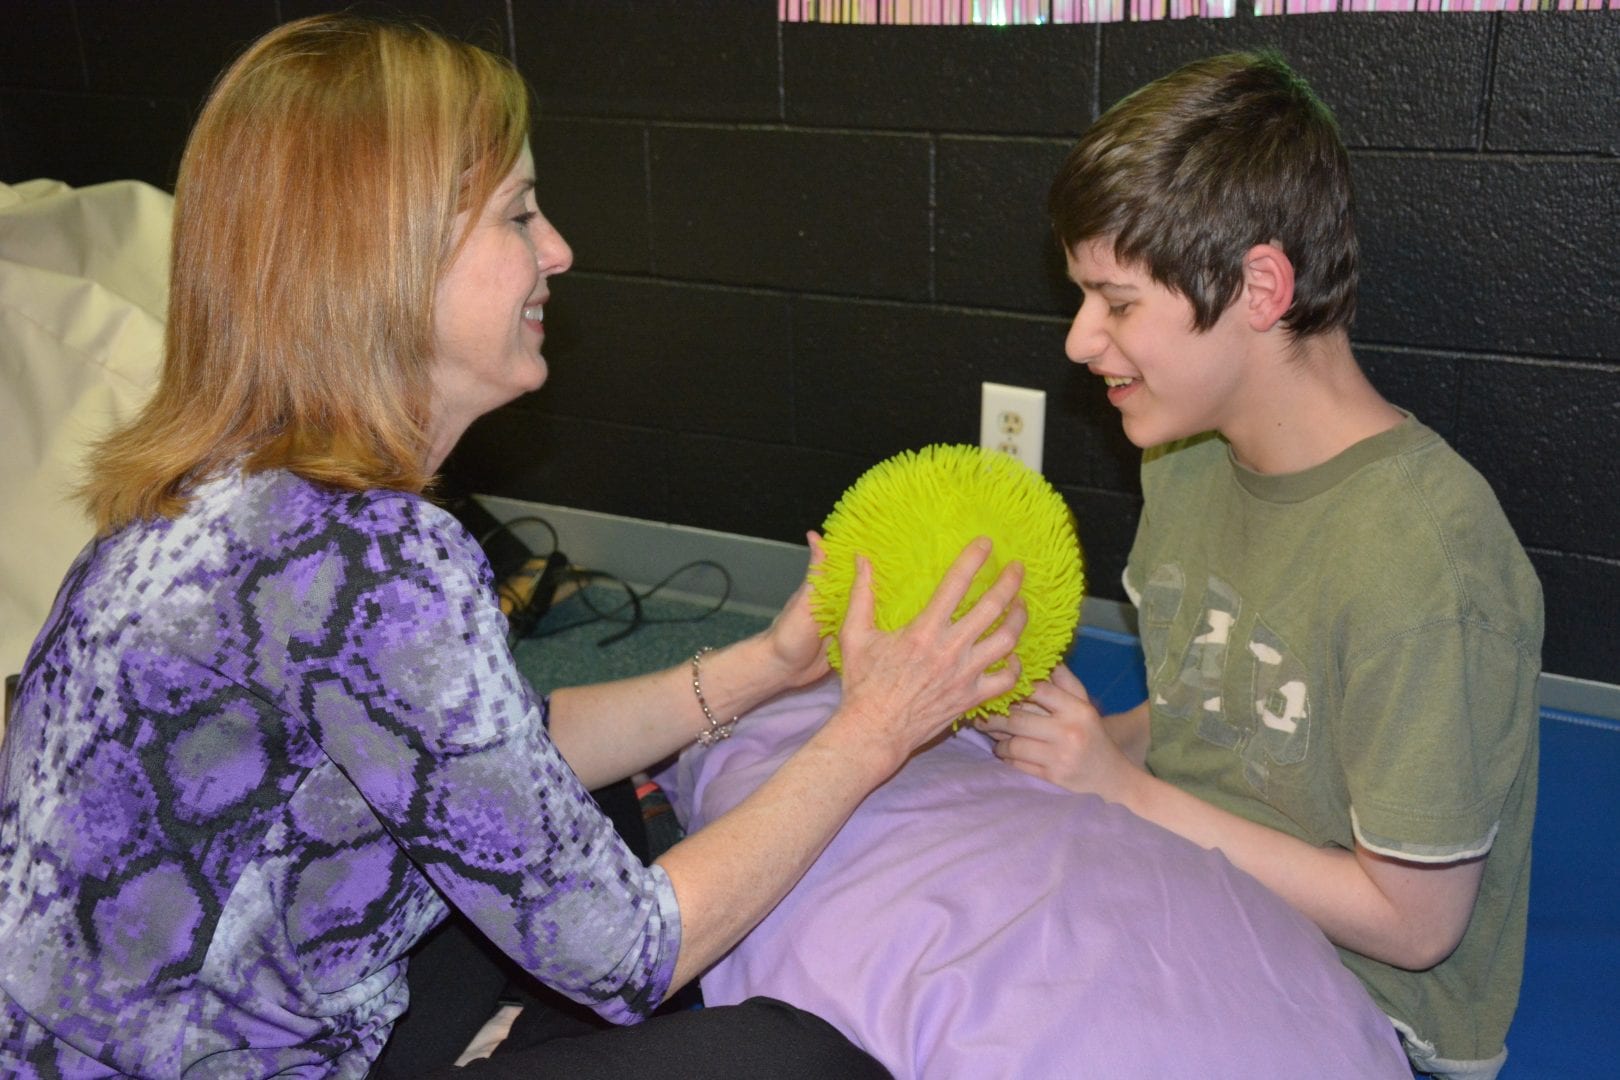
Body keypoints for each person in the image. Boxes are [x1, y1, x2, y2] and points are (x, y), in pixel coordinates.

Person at [0, 15, 1030, 1078]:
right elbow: (632, 955)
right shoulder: (370, 562)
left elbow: (494, 750)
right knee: (790, 1060)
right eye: (520, 214)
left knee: (581, 813)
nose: (559, 250)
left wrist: (767, 667)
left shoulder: (231, 488)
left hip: (160, 1008)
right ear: (384, 257)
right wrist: (876, 727)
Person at [976, 51, 1542, 1080]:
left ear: (1260, 288)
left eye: (1115, 302)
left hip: (1364, 1003)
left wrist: (1121, 791)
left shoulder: (1428, 565)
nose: (1078, 341)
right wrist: (1088, 742)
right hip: (1194, 884)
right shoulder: (1185, 459)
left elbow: (1416, 926)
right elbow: (1224, 712)